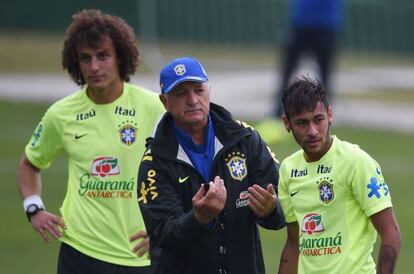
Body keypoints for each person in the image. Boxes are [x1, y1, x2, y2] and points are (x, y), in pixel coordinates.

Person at [17, 9, 165, 274]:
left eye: (103, 56)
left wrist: (170, 228)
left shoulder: (153, 107)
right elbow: (30, 163)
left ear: (120, 56)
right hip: (80, 251)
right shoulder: (61, 114)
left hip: (140, 255)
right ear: (76, 63)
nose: (94, 67)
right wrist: (33, 207)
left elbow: (192, 166)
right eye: (86, 58)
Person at [137, 56, 285, 274]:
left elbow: (285, 204)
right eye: (181, 93)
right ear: (164, 101)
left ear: (209, 90)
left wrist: (271, 211)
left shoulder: (245, 139)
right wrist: (199, 218)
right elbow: (162, 235)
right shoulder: (154, 163)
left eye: (198, 90)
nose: (193, 100)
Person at [277, 76, 401, 273]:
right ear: (287, 123)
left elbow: (391, 233)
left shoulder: (355, 161)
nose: (313, 131)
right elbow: (294, 244)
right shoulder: (288, 169)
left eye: (318, 120)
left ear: (330, 115)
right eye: (302, 123)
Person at [274, 0, 344, 117]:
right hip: (300, 22)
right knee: (287, 72)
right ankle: (277, 111)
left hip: (325, 24)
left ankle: (324, 114)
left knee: (325, 75)